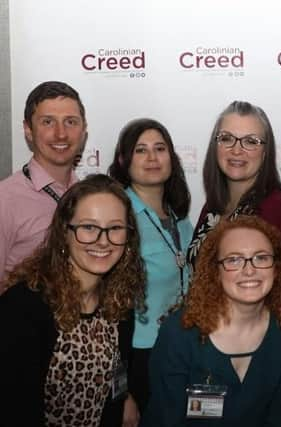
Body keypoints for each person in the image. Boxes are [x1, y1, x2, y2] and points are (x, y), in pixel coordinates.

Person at [186, 100, 281, 405]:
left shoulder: (280, 214)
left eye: (250, 141)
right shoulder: (213, 208)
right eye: (227, 138)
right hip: (208, 359)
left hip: (258, 367)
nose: (236, 150)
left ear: (266, 150)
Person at [0, 174, 145, 427]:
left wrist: (124, 399)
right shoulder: (23, 307)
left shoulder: (119, 303)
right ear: (64, 233)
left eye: (115, 228)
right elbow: (14, 409)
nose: (103, 240)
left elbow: (115, 386)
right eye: (88, 227)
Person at [144, 216, 281, 426]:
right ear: (215, 272)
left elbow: (278, 418)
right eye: (234, 260)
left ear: (277, 267)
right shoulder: (179, 333)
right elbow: (166, 418)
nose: (249, 270)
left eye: (261, 257)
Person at [108, 118, 194, 418]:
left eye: (160, 148)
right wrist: (123, 391)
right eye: (141, 150)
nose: (152, 157)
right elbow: (106, 309)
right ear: (124, 161)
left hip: (181, 346)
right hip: (139, 355)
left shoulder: (180, 217)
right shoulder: (118, 215)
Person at [0, 81, 87, 285]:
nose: (61, 134)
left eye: (70, 122)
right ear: (28, 130)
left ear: (84, 129)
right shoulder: (5, 201)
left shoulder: (88, 196)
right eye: (48, 122)